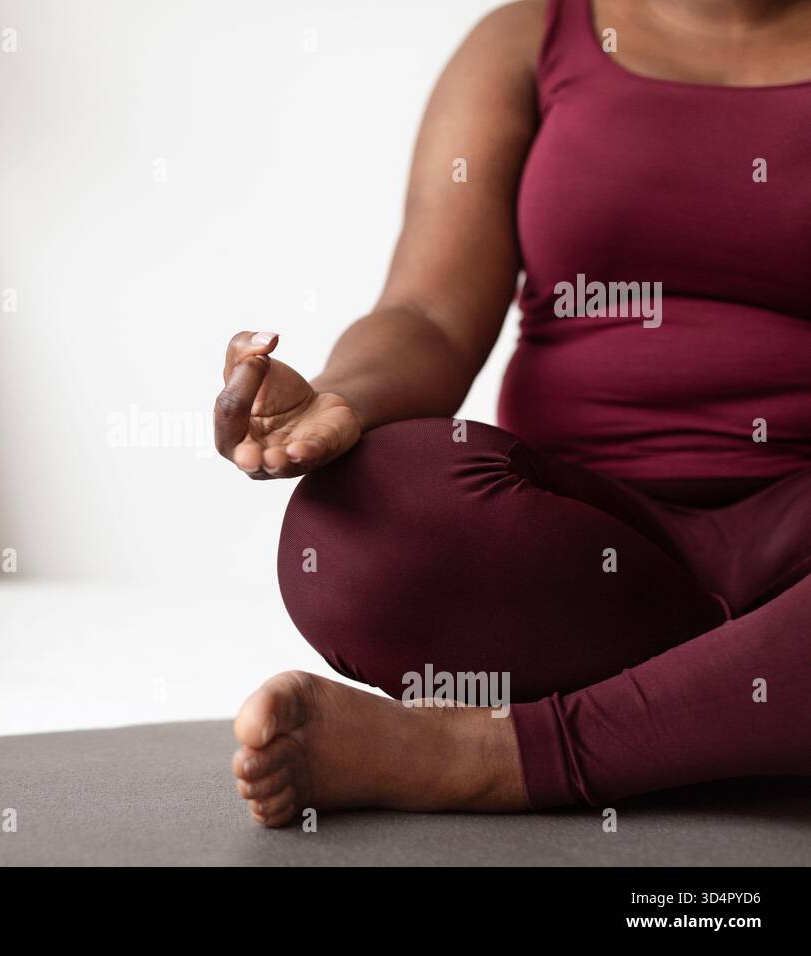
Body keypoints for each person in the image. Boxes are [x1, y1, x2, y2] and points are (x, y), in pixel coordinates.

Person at [216, 0, 811, 826]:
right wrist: (340, 397)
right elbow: (428, 313)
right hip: (581, 551)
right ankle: (747, 706)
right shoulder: (528, 37)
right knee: (355, 528)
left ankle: (484, 758)